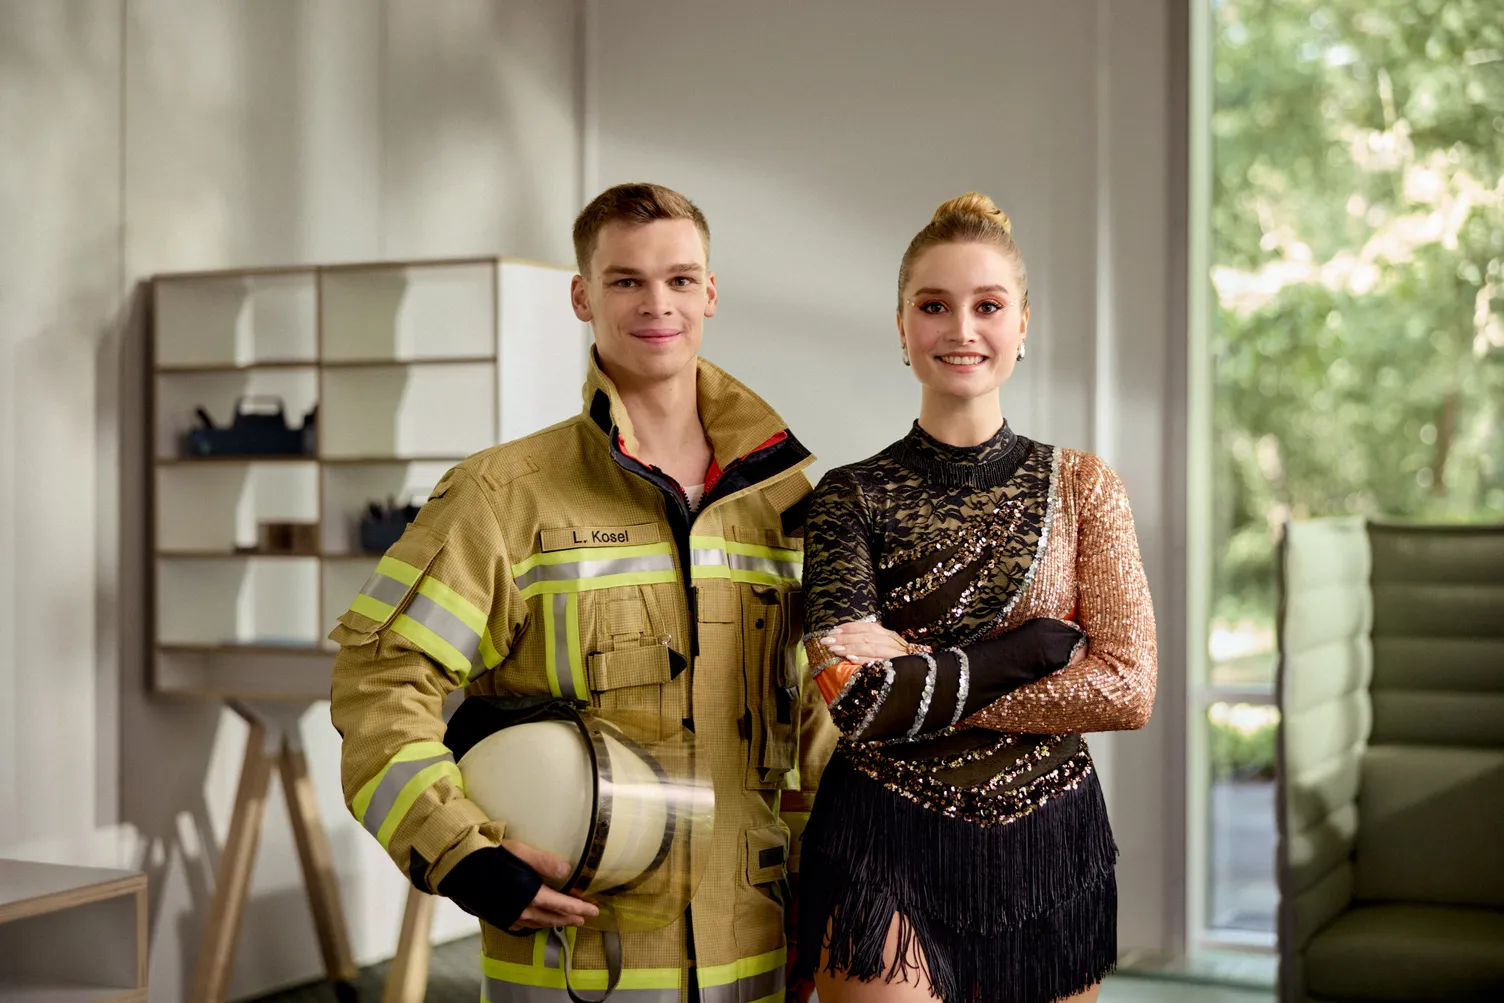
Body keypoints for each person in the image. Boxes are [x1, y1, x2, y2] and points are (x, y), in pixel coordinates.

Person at [329, 182, 838, 1002]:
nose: (656, 303)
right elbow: (380, 684)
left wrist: (831, 901)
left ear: (710, 292)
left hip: (756, 955)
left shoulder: (785, 502)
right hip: (579, 961)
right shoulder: (504, 495)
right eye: (625, 280)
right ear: (582, 296)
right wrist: (465, 855)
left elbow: (819, 721)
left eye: (679, 279)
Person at [792, 193, 1157, 1003]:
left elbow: (1128, 689)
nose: (961, 329)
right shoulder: (847, 496)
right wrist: (1018, 657)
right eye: (934, 306)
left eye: (987, 305)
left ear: (1023, 324)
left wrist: (920, 673)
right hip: (881, 836)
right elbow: (854, 698)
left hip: (1046, 846)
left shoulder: (1085, 486)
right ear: (901, 326)